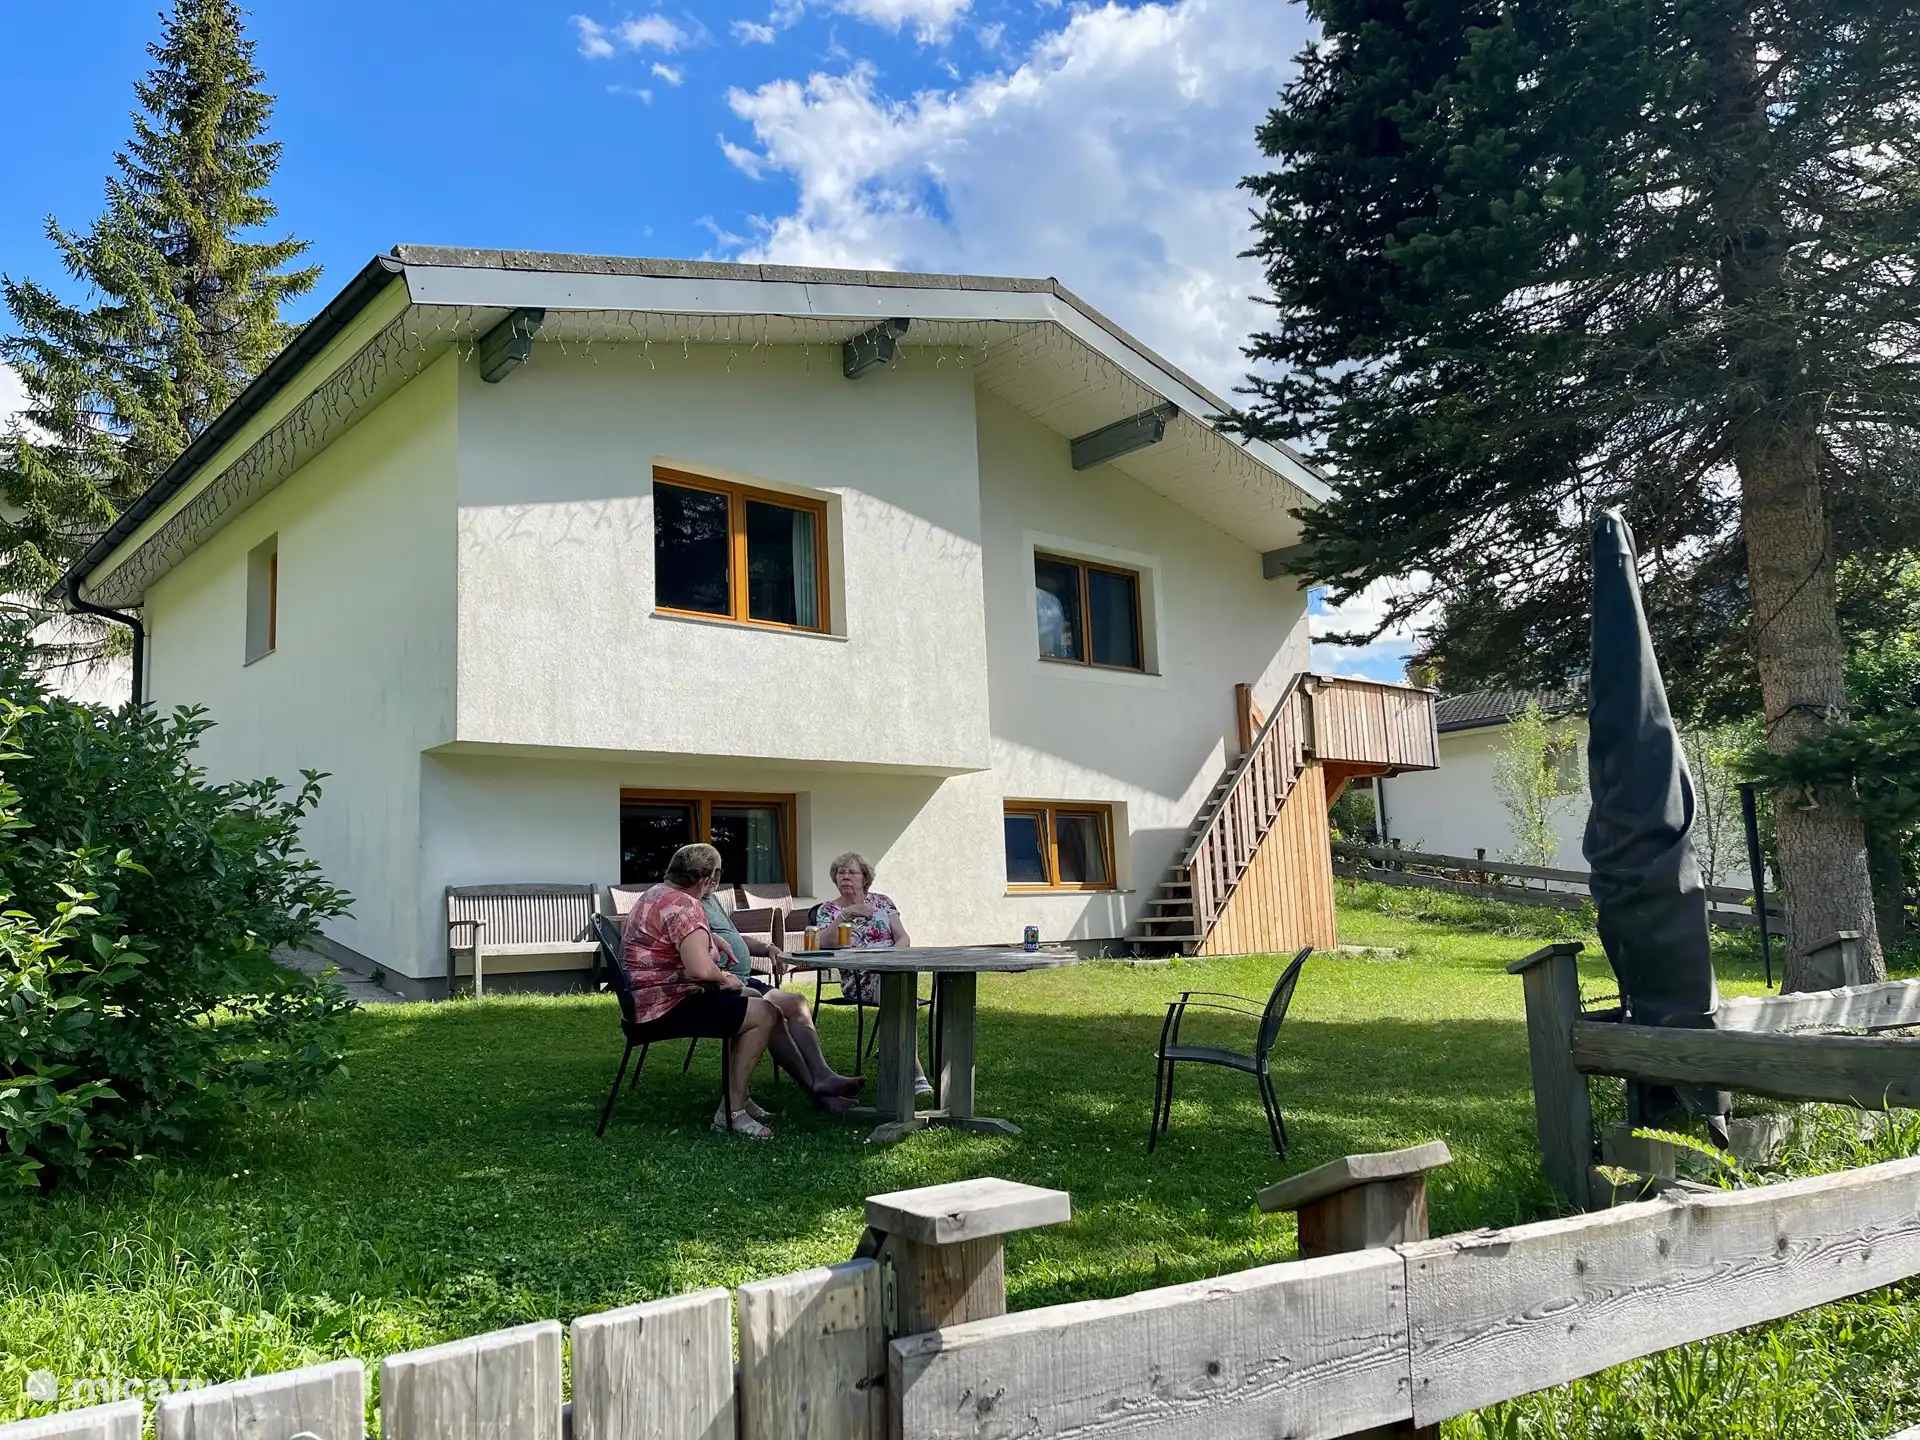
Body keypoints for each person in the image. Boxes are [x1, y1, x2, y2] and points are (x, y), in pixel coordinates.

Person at [621, 843, 779, 1138]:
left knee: (754, 998)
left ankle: (739, 1095)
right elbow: (699, 971)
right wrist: (726, 979)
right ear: (708, 879)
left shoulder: (655, 895)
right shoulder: (684, 905)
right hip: (665, 1005)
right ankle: (731, 1114)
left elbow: (672, 944)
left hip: (645, 999)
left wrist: (710, 943)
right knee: (764, 1012)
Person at [702, 887, 865, 1111]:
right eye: (712, 873)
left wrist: (767, 947)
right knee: (770, 1011)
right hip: (724, 983)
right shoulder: (688, 904)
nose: (715, 879)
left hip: (745, 979)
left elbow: (732, 938)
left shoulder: (711, 899)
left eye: (719, 872)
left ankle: (822, 1074)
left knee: (796, 1002)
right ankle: (816, 1089)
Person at [813, 851, 933, 1098]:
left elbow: (903, 937)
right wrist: (845, 915)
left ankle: (896, 1048)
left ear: (865, 878)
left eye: (852, 872)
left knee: (899, 987)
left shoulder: (883, 903)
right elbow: (821, 944)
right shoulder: (828, 910)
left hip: (892, 970)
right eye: (841, 872)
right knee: (900, 992)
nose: (845, 876)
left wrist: (891, 957)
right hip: (859, 979)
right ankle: (916, 1073)